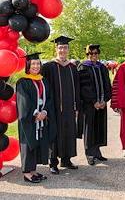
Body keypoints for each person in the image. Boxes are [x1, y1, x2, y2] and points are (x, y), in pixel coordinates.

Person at [42, 36, 80, 174]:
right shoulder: (48, 67)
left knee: (69, 132)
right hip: (54, 108)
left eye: (65, 47)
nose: (63, 50)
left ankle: (66, 159)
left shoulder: (72, 67)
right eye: (60, 47)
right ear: (56, 49)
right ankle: (53, 162)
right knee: (54, 133)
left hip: (70, 108)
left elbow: (77, 88)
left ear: (68, 50)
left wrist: (77, 106)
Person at [16, 53, 56, 183]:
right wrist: (35, 113)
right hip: (29, 120)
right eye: (33, 63)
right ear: (28, 65)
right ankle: (27, 173)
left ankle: (33, 170)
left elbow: (49, 98)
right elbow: (23, 102)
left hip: (41, 118)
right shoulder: (22, 82)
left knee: (37, 143)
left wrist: (44, 111)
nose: (36, 66)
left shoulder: (43, 80)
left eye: (38, 63)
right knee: (28, 144)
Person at [77, 44, 112, 165]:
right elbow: (84, 87)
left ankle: (97, 152)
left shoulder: (102, 67)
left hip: (101, 104)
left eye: (96, 53)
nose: (93, 56)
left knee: (99, 127)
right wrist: (94, 101)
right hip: (89, 105)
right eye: (91, 54)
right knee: (89, 128)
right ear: (87, 55)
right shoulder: (83, 67)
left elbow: (107, 84)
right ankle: (89, 154)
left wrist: (105, 100)